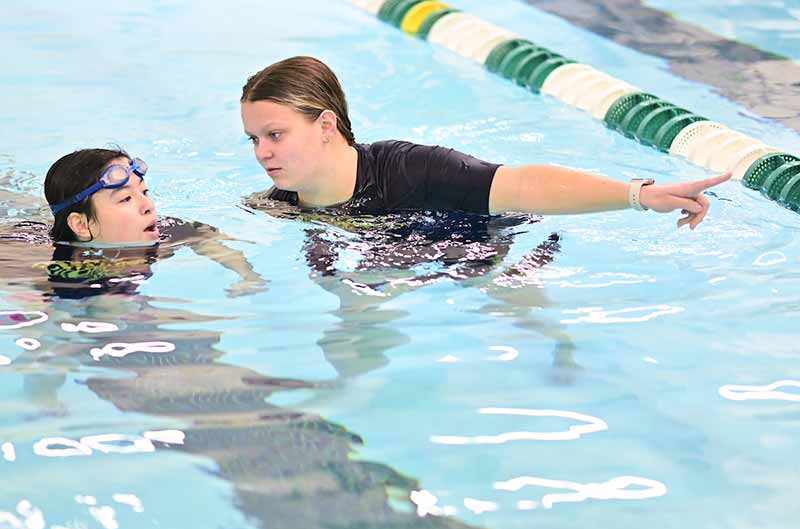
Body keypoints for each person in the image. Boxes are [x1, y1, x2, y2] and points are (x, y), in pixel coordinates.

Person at [240, 55, 729, 228]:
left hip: (485, 240)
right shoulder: (275, 205)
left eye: (275, 135)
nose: (263, 153)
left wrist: (638, 196)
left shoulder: (412, 169)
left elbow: (522, 185)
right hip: (392, 258)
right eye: (254, 139)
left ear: (326, 125)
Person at [1, 147, 266, 298]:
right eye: (126, 198)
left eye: (145, 192)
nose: (147, 205)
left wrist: (247, 274)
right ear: (81, 225)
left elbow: (207, 237)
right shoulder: (46, 261)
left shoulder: (166, 231)